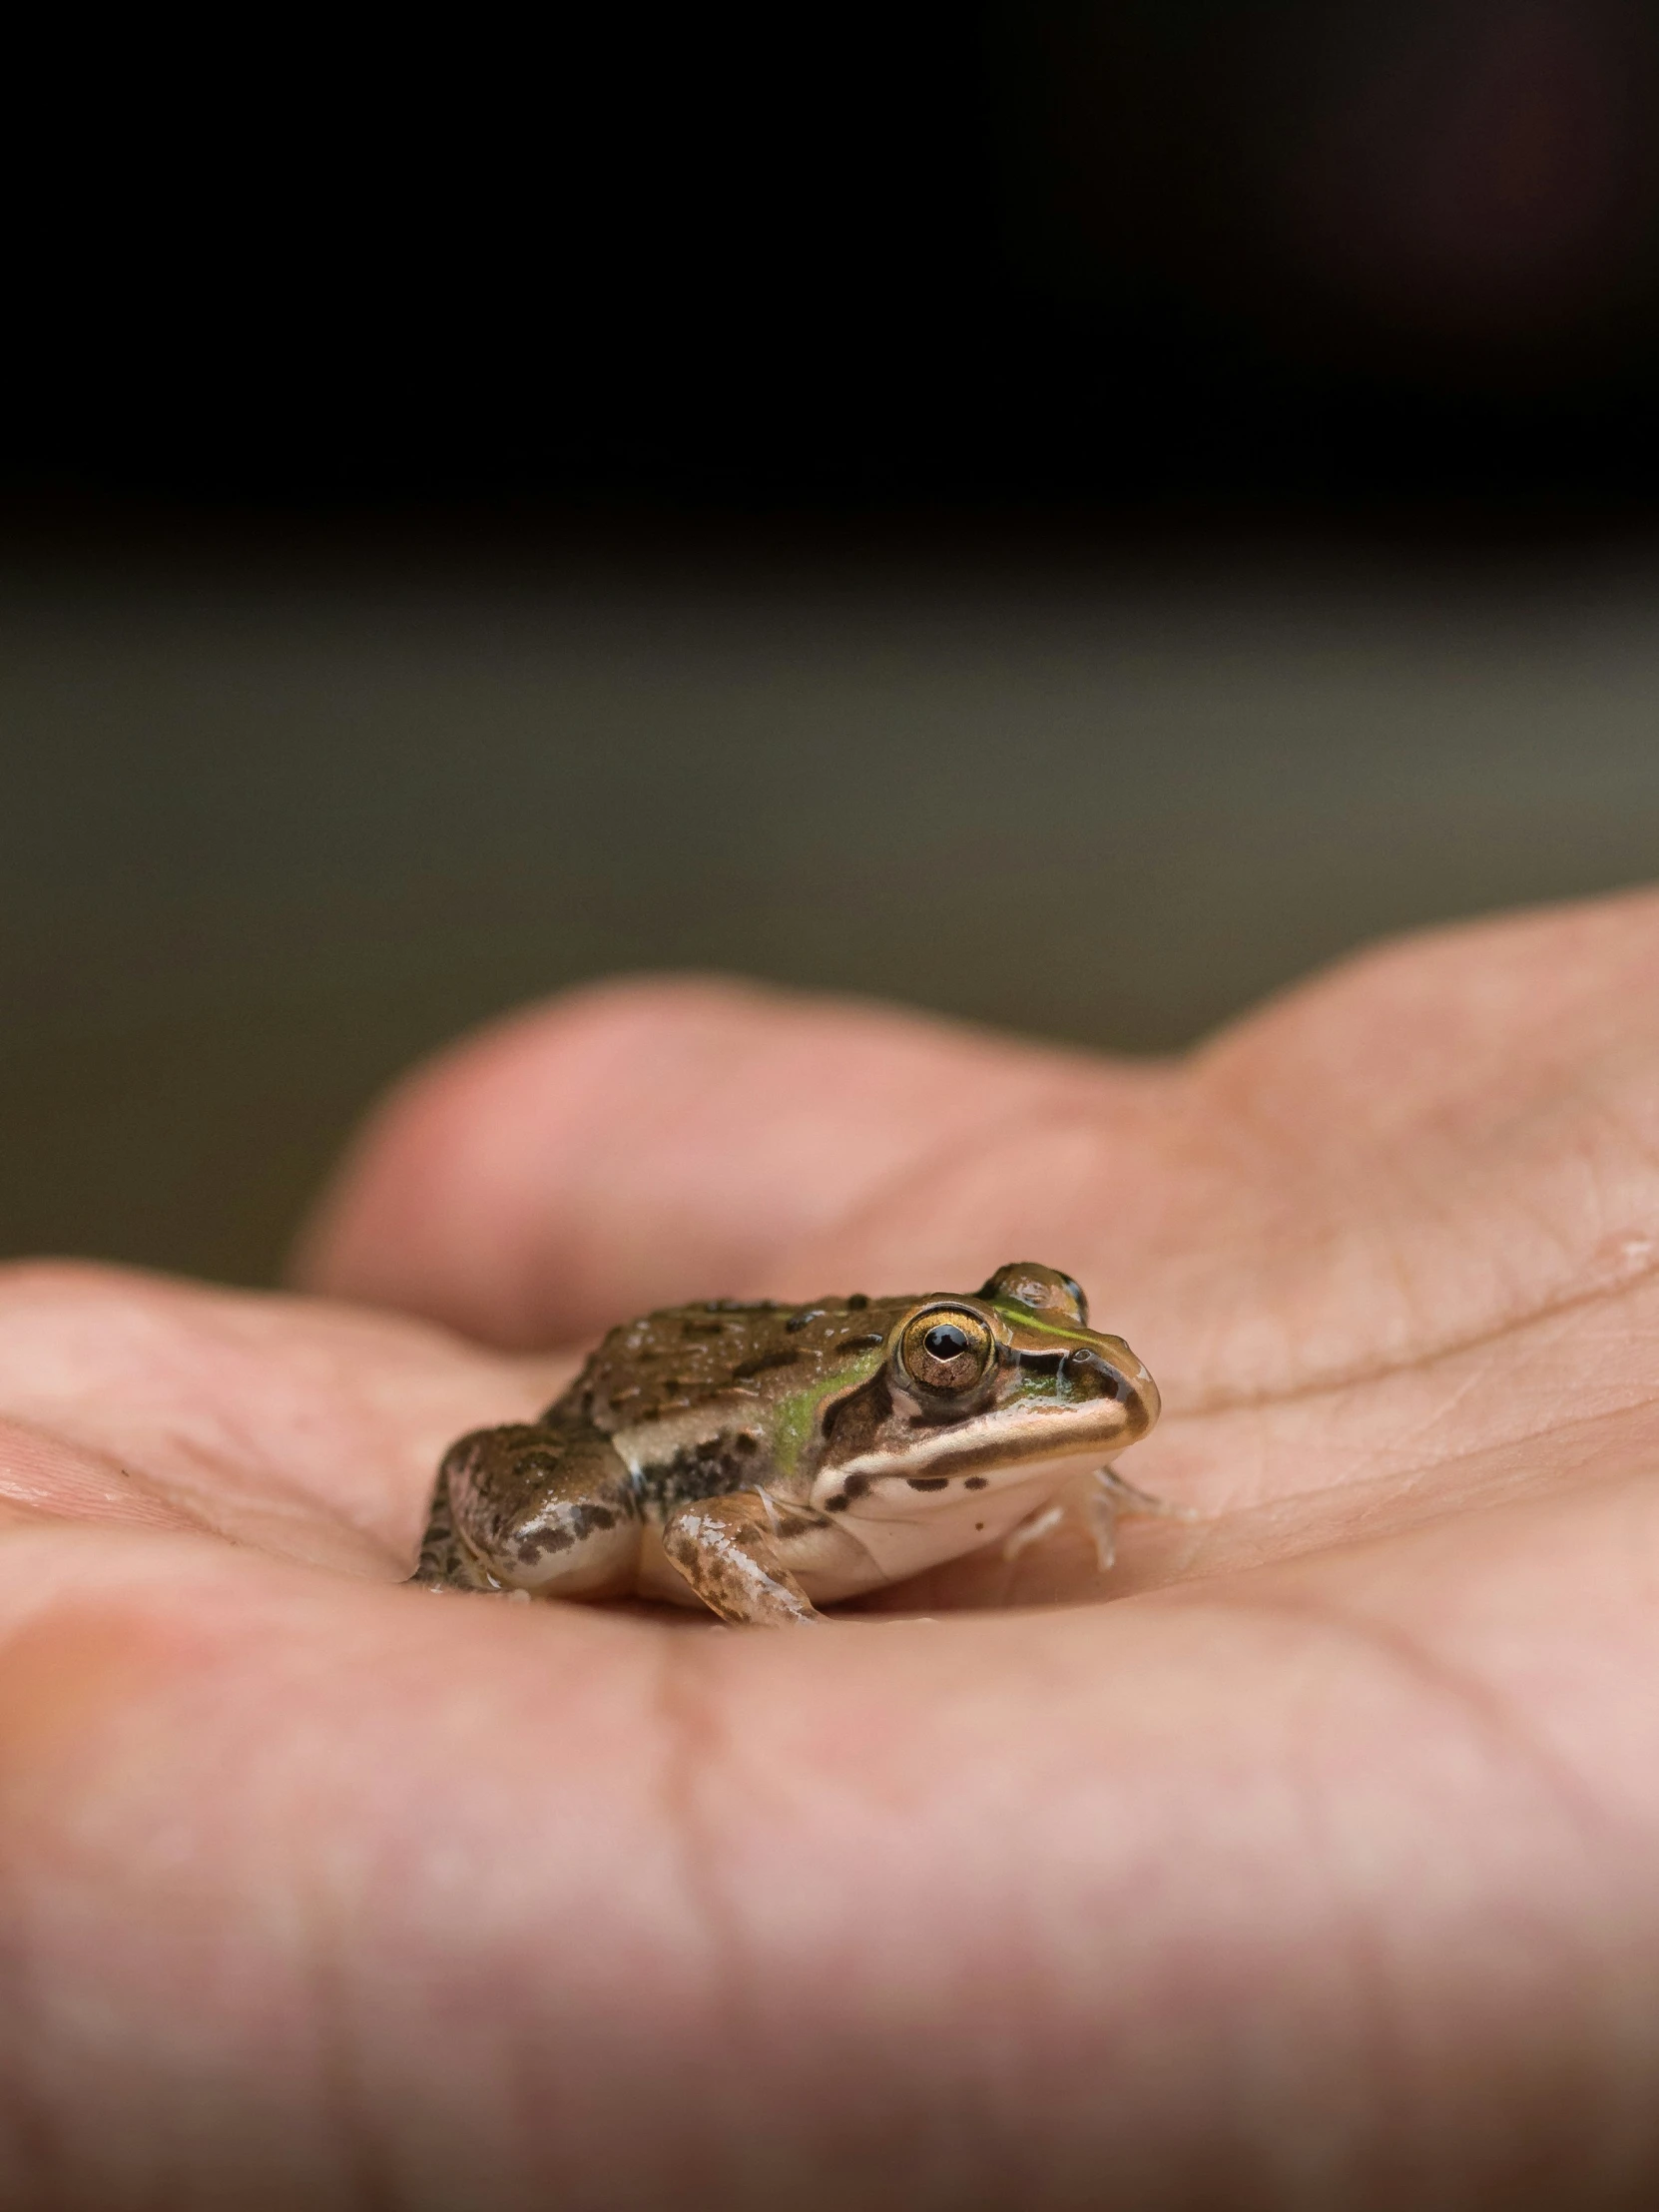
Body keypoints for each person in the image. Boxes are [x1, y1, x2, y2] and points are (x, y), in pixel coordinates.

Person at [2, 886, 1656, 2208]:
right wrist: (785, 1627)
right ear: (898, 1388)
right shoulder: (768, 1483)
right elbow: (704, 1518)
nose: (1033, 1373)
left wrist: (1066, 1475)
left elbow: (1054, 1428)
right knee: (564, 1541)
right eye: (956, 1362)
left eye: (1024, 1336)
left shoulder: (1018, 1440)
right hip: (651, 1431)